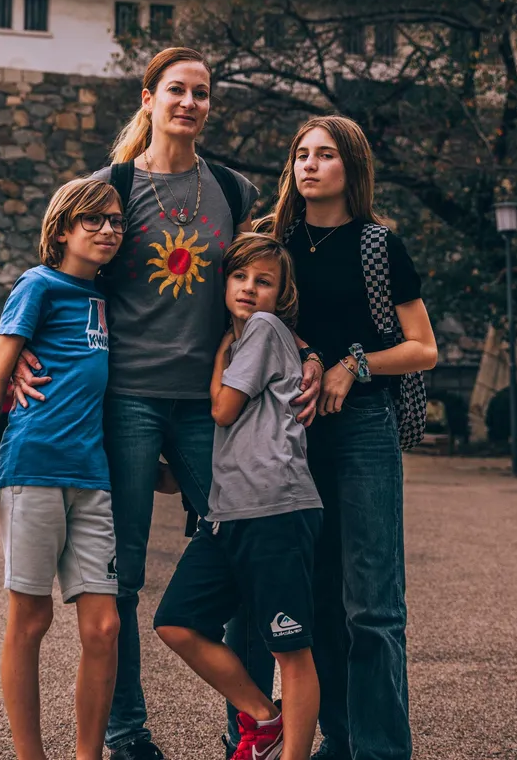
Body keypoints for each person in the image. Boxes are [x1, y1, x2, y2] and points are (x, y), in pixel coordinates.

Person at [12, 47, 323, 760]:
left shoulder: (234, 191)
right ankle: (126, 734)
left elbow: (269, 285)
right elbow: (57, 268)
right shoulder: (112, 185)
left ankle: (248, 725)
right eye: (176, 91)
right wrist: (24, 344)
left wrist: (302, 351)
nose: (189, 103)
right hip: (124, 399)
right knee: (117, 576)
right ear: (148, 99)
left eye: (202, 93)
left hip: (213, 404)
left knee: (243, 556)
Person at [269, 116, 438, 760]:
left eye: (326, 155)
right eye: (301, 154)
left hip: (364, 429)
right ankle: (337, 743)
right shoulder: (272, 244)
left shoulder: (377, 246)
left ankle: (381, 750)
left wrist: (353, 363)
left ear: (352, 168)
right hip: (291, 433)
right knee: (314, 599)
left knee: (372, 604)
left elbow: (422, 348)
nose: (310, 165)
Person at [0, 176, 125, 760]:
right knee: (31, 618)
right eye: (93, 220)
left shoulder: (109, 294)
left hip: (93, 476)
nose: (108, 230)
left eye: (116, 222)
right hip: (32, 466)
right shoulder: (38, 285)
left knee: (105, 628)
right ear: (61, 230)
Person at [155, 233, 323, 760]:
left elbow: (224, 410)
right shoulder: (254, 335)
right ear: (224, 282)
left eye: (264, 281)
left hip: (277, 508)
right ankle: (266, 719)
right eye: (241, 276)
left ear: (281, 294)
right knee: (176, 622)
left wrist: (219, 358)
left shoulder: (263, 329)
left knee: (290, 650)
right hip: (228, 514)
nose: (250, 288)